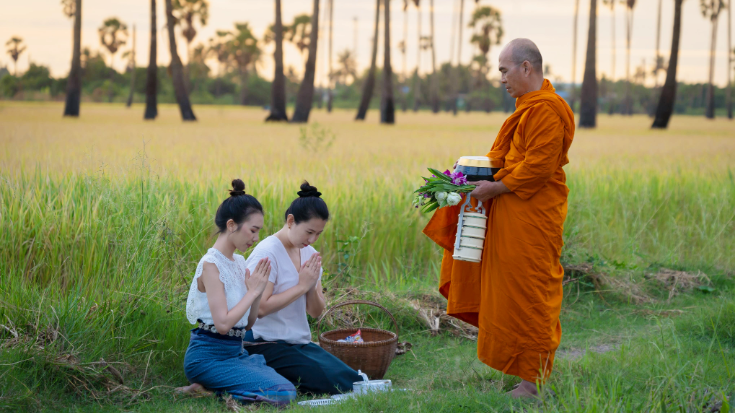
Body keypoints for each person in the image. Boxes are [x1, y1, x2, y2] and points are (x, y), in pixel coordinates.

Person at [423, 38, 575, 398]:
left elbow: (537, 168)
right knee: (510, 293)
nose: (502, 79)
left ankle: (532, 384)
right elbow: (501, 160)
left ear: (527, 68)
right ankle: (521, 372)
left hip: (532, 221)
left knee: (531, 292)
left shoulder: (547, 110)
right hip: (511, 216)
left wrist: (492, 189)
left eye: (505, 71)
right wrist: (463, 179)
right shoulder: (525, 109)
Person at [178, 179, 297, 406]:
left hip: (235, 353)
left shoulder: (240, 262)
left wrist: (258, 291)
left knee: (287, 388)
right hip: (208, 357)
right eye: (253, 230)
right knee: (283, 395)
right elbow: (223, 325)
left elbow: (248, 324)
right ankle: (206, 391)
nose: (256, 238)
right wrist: (251, 294)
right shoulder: (211, 264)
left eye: (258, 231)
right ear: (232, 225)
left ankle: (208, 389)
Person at [243, 181, 362, 395]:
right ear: (291, 221)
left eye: (318, 233)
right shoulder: (267, 254)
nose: (313, 239)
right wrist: (302, 285)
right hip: (265, 342)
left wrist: (310, 287)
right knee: (334, 384)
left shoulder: (309, 254)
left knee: (351, 379)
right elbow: (260, 309)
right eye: (309, 232)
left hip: (298, 342)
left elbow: (315, 312)